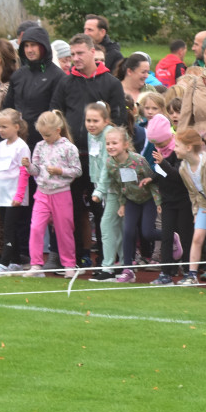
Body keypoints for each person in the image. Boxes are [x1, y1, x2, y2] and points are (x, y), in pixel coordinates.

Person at [50, 33, 127, 266]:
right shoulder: (65, 82)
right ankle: (78, 255)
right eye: (72, 54)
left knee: (102, 210)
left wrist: (110, 150)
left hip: (102, 160)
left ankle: (107, 257)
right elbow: (55, 114)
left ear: (93, 52)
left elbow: (119, 119)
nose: (75, 58)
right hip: (72, 159)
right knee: (73, 210)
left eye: (80, 53)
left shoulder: (111, 83)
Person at [21, 110, 81, 278]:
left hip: (61, 193)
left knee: (64, 230)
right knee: (35, 227)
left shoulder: (69, 147)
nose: (44, 138)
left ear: (58, 130)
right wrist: (28, 166)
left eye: (47, 134)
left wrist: (59, 170)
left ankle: (69, 264)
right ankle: (36, 264)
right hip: (42, 193)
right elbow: (36, 170)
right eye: (42, 134)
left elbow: (77, 171)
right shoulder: (40, 146)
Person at [105, 127, 162, 283]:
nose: (110, 146)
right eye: (108, 143)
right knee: (128, 231)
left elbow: (152, 181)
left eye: (114, 143)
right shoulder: (110, 164)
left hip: (147, 199)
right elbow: (118, 185)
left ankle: (171, 237)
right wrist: (122, 204)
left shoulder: (138, 160)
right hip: (131, 200)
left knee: (148, 233)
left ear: (125, 145)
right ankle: (128, 269)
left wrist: (158, 202)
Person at [2, 26, 66, 150]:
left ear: (43, 46)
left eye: (33, 45)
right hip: (16, 141)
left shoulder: (58, 76)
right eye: (26, 46)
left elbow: (54, 113)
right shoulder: (18, 75)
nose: (29, 50)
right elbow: (7, 109)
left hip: (44, 143)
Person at [147, 114, 190, 286]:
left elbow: (178, 176)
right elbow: (162, 173)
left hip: (183, 199)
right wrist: (151, 178)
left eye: (160, 143)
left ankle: (188, 270)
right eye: (155, 144)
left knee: (186, 235)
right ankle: (166, 272)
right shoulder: (160, 153)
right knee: (166, 236)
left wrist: (163, 162)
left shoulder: (178, 151)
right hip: (167, 200)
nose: (158, 147)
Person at [0, 109, 31, 273]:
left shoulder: (21, 147)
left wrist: (19, 195)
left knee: (10, 228)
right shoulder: (1, 145)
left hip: (14, 195)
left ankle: (4, 262)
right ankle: (15, 260)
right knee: (5, 226)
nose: (1, 130)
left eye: (5, 126)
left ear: (16, 127)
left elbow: (24, 172)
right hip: (2, 193)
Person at [83, 102, 121, 282]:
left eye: (95, 120)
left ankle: (109, 267)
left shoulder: (108, 135)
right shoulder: (92, 136)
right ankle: (122, 266)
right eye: (88, 120)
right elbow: (94, 163)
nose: (91, 124)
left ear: (106, 121)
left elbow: (107, 165)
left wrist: (99, 189)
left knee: (106, 226)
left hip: (114, 188)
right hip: (102, 188)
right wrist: (94, 184)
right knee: (116, 228)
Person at [175, 127, 206, 286]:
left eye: (177, 145)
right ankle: (192, 275)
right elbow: (192, 193)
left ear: (188, 147)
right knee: (197, 237)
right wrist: (195, 211)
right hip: (204, 206)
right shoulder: (183, 168)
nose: (174, 149)